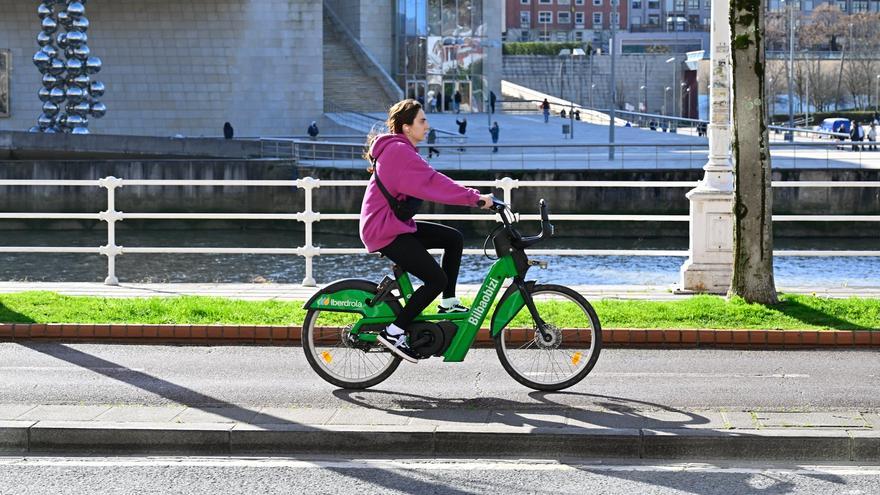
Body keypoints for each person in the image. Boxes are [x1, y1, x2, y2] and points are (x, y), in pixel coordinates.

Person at [359, 99, 493, 363]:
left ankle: (448, 302)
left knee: (452, 238)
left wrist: (474, 197)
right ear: (406, 127)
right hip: (384, 230)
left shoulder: (400, 149)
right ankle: (393, 332)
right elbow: (433, 182)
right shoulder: (399, 152)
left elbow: (430, 181)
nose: (427, 126)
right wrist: (476, 198)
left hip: (392, 225)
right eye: (422, 120)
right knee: (435, 280)